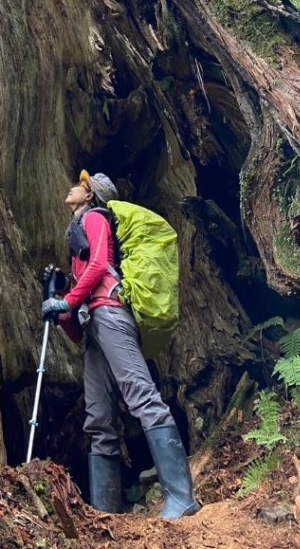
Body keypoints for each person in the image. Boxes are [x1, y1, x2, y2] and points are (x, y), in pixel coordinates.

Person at [42, 170, 199, 520]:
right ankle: (105, 512)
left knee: (140, 394)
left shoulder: (96, 217)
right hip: (93, 324)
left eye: (78, 186)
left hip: (110, 314)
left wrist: (67, 301)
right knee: (98, 416)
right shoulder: (77, 234)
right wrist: (58, 304)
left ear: (90, 195)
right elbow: (76, 331)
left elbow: (99, 263)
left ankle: (182, 498)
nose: (70, 188)